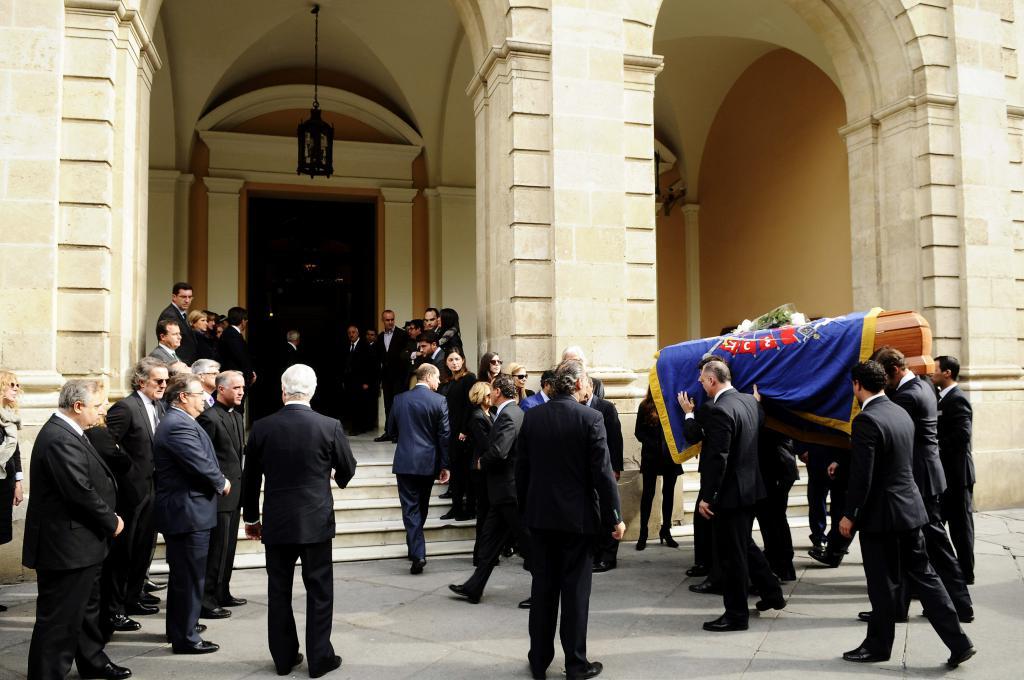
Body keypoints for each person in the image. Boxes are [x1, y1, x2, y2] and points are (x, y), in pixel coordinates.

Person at [838, 361, 975, 668]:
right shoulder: (900, 411)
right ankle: (959, 641)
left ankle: (878, 646)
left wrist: (851, 515)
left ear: (858, 385)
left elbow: (863, 476)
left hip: (881, 516)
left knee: (881, 583)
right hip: (911, 509)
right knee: (925, 577)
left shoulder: (866, 420)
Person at [243, 364, 356, 678]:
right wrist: (334, 475)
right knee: (320, 591)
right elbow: (348, 467)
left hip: (277, 520)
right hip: (315, 519)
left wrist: (251, 517)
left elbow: (250, 479)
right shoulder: (329, 425)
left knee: (278, 591)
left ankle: (283, 657)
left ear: (282, 391)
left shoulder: (262, 427)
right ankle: (320, 659)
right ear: (313, 391)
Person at [516, 360, 624, 680]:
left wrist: (526, 512)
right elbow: (603, 476)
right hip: (577, 523)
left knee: (543, 592)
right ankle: (576, 664)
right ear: (578, 385)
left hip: (540, 519)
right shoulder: (591, 418)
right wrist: (614, 517)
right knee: (575, 595)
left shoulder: (532, 417)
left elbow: (521, 472)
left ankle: (539, 660)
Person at [23, 379, 130, 680]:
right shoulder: (59, 437)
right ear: (78, 406)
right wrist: (112, 521)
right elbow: (78, 491)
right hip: (65, 545)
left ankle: (92, 659)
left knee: (86, 611)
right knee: (60, 618)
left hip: (83, 543)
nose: (102, 411)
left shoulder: (75, 432)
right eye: (97, 406)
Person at [871, 347, 973, 622]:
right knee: (910, 547)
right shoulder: (923, 385)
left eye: (884, 376)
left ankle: (961, 605)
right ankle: (896, 608)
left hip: (920, 479)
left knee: (935, 545)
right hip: (925, 475)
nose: (883, 383)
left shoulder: (907, 396)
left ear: (894, 370)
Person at [694, 360, 785, 631]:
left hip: (730, 494)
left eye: (702, 379)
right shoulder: (749, 402)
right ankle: (772, 593)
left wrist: (707, 496)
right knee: (744, 545)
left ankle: (736, 615)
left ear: (712, 380)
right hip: (750, 488)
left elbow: (718, 459)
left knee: (732, 557)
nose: (700, 383)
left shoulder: (720, 411)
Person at [153, 374, 229, 654]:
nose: (205, 399)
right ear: (183, 397)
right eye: (199, 394)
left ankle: (181, 630)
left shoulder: (181, 421)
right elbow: (199, 462)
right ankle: (186, 638)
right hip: (187, 513)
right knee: (190, 578)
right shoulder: (176, 425)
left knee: (186, 578)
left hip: (190, 511)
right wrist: (221, 482)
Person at [449, 375, 529, 605]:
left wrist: (481, 462)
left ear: (497, 392)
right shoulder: (514, 412)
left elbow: (500, 451)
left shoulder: (508, 415)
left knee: (528, 543)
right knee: (489, 541)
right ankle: (474, 587)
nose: (490, 393)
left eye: (492, 390)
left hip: (507, 491)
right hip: (502, 492)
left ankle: (545, 590)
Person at [103, 358, 168, 628]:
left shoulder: (159, 406)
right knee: (124, 552)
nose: (164, 385)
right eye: (158, 381)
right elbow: (107, 445)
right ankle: (114, 609)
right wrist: (127, 469)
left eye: (166, 381)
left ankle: (133, 597)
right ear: (142, 381)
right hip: (130, 492)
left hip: (153, 488)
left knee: (144, 546)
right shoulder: (125, 408)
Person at [387, 363, 450, 574]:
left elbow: (390, 430)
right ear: (429, 377)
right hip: (428, 462)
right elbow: (444, 435)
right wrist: (445, 465)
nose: (439, 382)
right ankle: (418, 552)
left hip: (405, 461)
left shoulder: (399, 399)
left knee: (411, 509)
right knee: (420, 507)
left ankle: (415, 548)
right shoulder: (439, 401)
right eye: (438, 378)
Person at [196, 371, 247, 619]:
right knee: (216, 549)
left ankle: (223, 591)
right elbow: (205, 458)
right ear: (221, 390)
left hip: (235, 492)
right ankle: (207, 600)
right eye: (236, 387)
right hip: (219, 493)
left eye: (243, 388)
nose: (240, 392)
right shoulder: (208, 418)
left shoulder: (237, 416)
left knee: (229, 548)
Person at [931, 355, 976, 584]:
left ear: (947, 373)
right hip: (946, 476)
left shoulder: (957, 399)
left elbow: (962, 435)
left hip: (958, 476)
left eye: (936, 369)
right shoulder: (941, 398)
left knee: (961, 528)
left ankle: (966, 574)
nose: (932, 372)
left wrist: (935, 446)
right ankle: (951, 571)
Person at [634, 388, 682, 551]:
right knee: (648, 494)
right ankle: (643, 533)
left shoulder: (673, 405)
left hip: (670, 457)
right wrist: (653, 444)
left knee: (668, 494)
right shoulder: (645, 406)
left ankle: (666, 530)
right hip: (651, 457)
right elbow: (638, 432)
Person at [586, 378, 624, 573]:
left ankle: (609, 556)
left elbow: (616, 438)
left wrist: (616, 467)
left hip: (606, 468)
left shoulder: (606, 407)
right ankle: (595, 552)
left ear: (590, 387)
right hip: (587, 470)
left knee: (609, 510)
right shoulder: (578, 406)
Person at [438, 347, 477, 521]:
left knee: (465, 473)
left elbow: (470, 406)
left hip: (463, 433)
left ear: (463, 360)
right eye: (450, 360)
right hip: (451, 431)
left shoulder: (469, 378)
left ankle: (468, 509)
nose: (454, 363)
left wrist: (464, 430)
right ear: (446, 362)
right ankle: (456, 508)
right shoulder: (448, 381)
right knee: (455, 471)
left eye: (457, 359)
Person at [805, 439, 854, 567]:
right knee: (824, 503)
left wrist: (840, 460)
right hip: (822, 459)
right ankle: (830, 546)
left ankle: (836, 550)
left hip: (844, 465)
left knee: (842, 510)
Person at [0, 371, 25, 612]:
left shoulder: (11, 418)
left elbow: (15, 453)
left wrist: (18, 482)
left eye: (18, 385)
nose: (16, 388)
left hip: (4, 483)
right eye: (11, 384)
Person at [464, 382, 493, 566]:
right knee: (483, 512)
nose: (492, 396)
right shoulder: (477, 416)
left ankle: (487, 552)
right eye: (489, 394)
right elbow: (486, 443)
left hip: (487, 468)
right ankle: (479, 555)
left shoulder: (491, 413)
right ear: (481, 396)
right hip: (480, 468)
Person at [374, 309, 409, 442]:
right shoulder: (380, 336)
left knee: (399, 405)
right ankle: (389, 432)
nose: (390, 322)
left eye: (392, 319)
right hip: (386, 378)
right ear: (383, 320)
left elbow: (406, 358)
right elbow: (379, 358)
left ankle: (399, 434)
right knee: (388, 405)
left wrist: (405, 379)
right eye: (387, 320)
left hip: (399, 378)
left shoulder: (402, 334)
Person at [342, 324, 377, 435]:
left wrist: (367, 382)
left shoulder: (365, 346)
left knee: (360, 405)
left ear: (357, 333)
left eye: (353, 332)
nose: (351, 335)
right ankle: (354, 426)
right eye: (349, 333)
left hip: (361, 382)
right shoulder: (347, 346)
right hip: (350, 382)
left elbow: (370, 365)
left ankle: (359, 428)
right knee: (352, 404)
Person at [158, 282, 197, 364]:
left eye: (190, 297)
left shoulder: (181, 313)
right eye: (183, 297)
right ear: (174, 297)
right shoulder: (170, 315)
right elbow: (170, 342)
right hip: (177, 362)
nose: (187, 300)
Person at [218, 306, 256, 386]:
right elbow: (241, 356)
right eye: (246, 321)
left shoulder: (230, 332)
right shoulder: (232, 334)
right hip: (234, 377)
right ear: (243, 321)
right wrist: (250, 374)